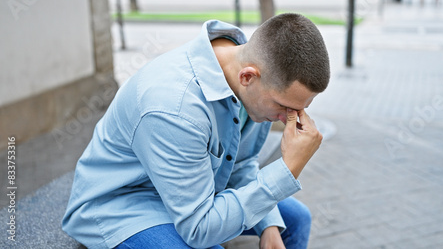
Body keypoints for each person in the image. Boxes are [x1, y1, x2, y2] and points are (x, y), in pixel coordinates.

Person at [62, 13, 330, 249]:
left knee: (295, 220)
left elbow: (240, 164)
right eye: (284, 107)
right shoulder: (173, 107)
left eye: (299, 109)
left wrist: (268, 225)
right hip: (123, 205)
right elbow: (199, 229)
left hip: (195, 189)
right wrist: (286, 171)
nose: (287, 120)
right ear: (248, 77)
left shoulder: (254, 89)